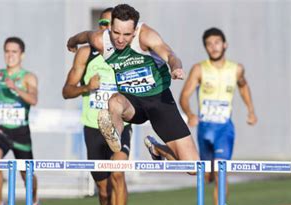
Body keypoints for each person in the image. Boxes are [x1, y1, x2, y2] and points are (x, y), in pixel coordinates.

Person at [67, 4, 199, 165]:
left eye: (126, 34)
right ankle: (114, 134)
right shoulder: (101, 40)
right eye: (116, 33)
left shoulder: (146, 36)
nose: (120, 39)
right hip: (131, 102)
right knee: (114, 101)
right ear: (110, 28)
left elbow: (169, 54)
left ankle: (157, 148)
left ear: (135, 31)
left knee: (192, 166)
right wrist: (72, 42)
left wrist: (176, 67)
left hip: (159, 100)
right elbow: (85, 36)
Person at [62, 8, 131, 205]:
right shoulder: (86, 53)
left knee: (118, 172)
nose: (105, 29)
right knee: (102, 192)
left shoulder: (127, 57)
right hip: (92, 128)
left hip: (119, 127)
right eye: (101, 23)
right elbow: (66, 91)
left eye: (109, 25)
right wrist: (85, 88)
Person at [177, 27, 258, 205]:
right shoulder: (199, 69)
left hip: (224, 129)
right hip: (205, 128)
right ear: (205, 47)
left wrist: (250, 110)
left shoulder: (236, 69)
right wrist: (190, 113)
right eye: (209, 44)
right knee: (205, 175)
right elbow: (184, 95)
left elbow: (243, 85)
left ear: (225, 44)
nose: (213, 47)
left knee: (221, 172)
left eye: (217, 42)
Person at [0, 37, 43, 205]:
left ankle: (35, 201)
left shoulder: (28, 78)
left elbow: (34, 99)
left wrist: (16, 88)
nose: (10, 55)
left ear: (22, 55)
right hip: (1, 129)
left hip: (20, 131)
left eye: (14, 52)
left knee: (26, 176)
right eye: (7, 51)